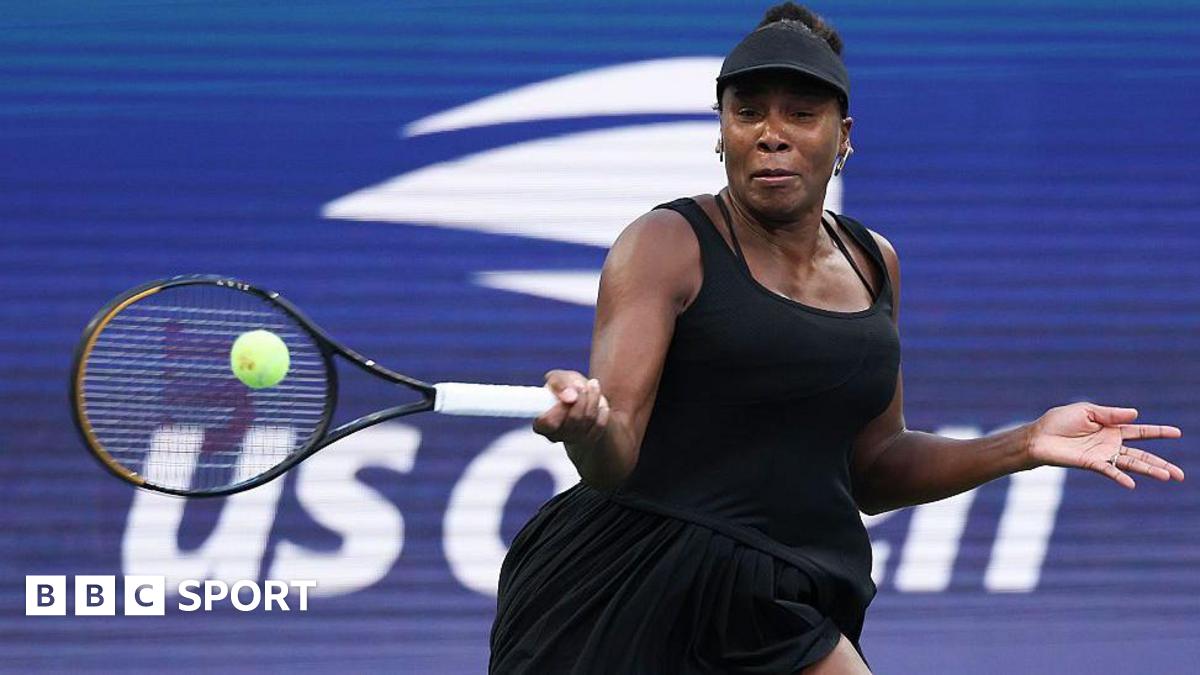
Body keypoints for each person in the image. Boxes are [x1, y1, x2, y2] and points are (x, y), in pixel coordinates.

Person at [488, 3, 1186, 673]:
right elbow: (614, 455)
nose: (772, 133)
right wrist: (588, 427)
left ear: (843, 134)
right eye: (748, 112)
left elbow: (874, 468)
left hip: (772, 598)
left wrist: (1026, 442)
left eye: (801, 113)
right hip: (624, 587)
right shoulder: (665, 243)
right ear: (721, 130)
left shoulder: (874, 262)